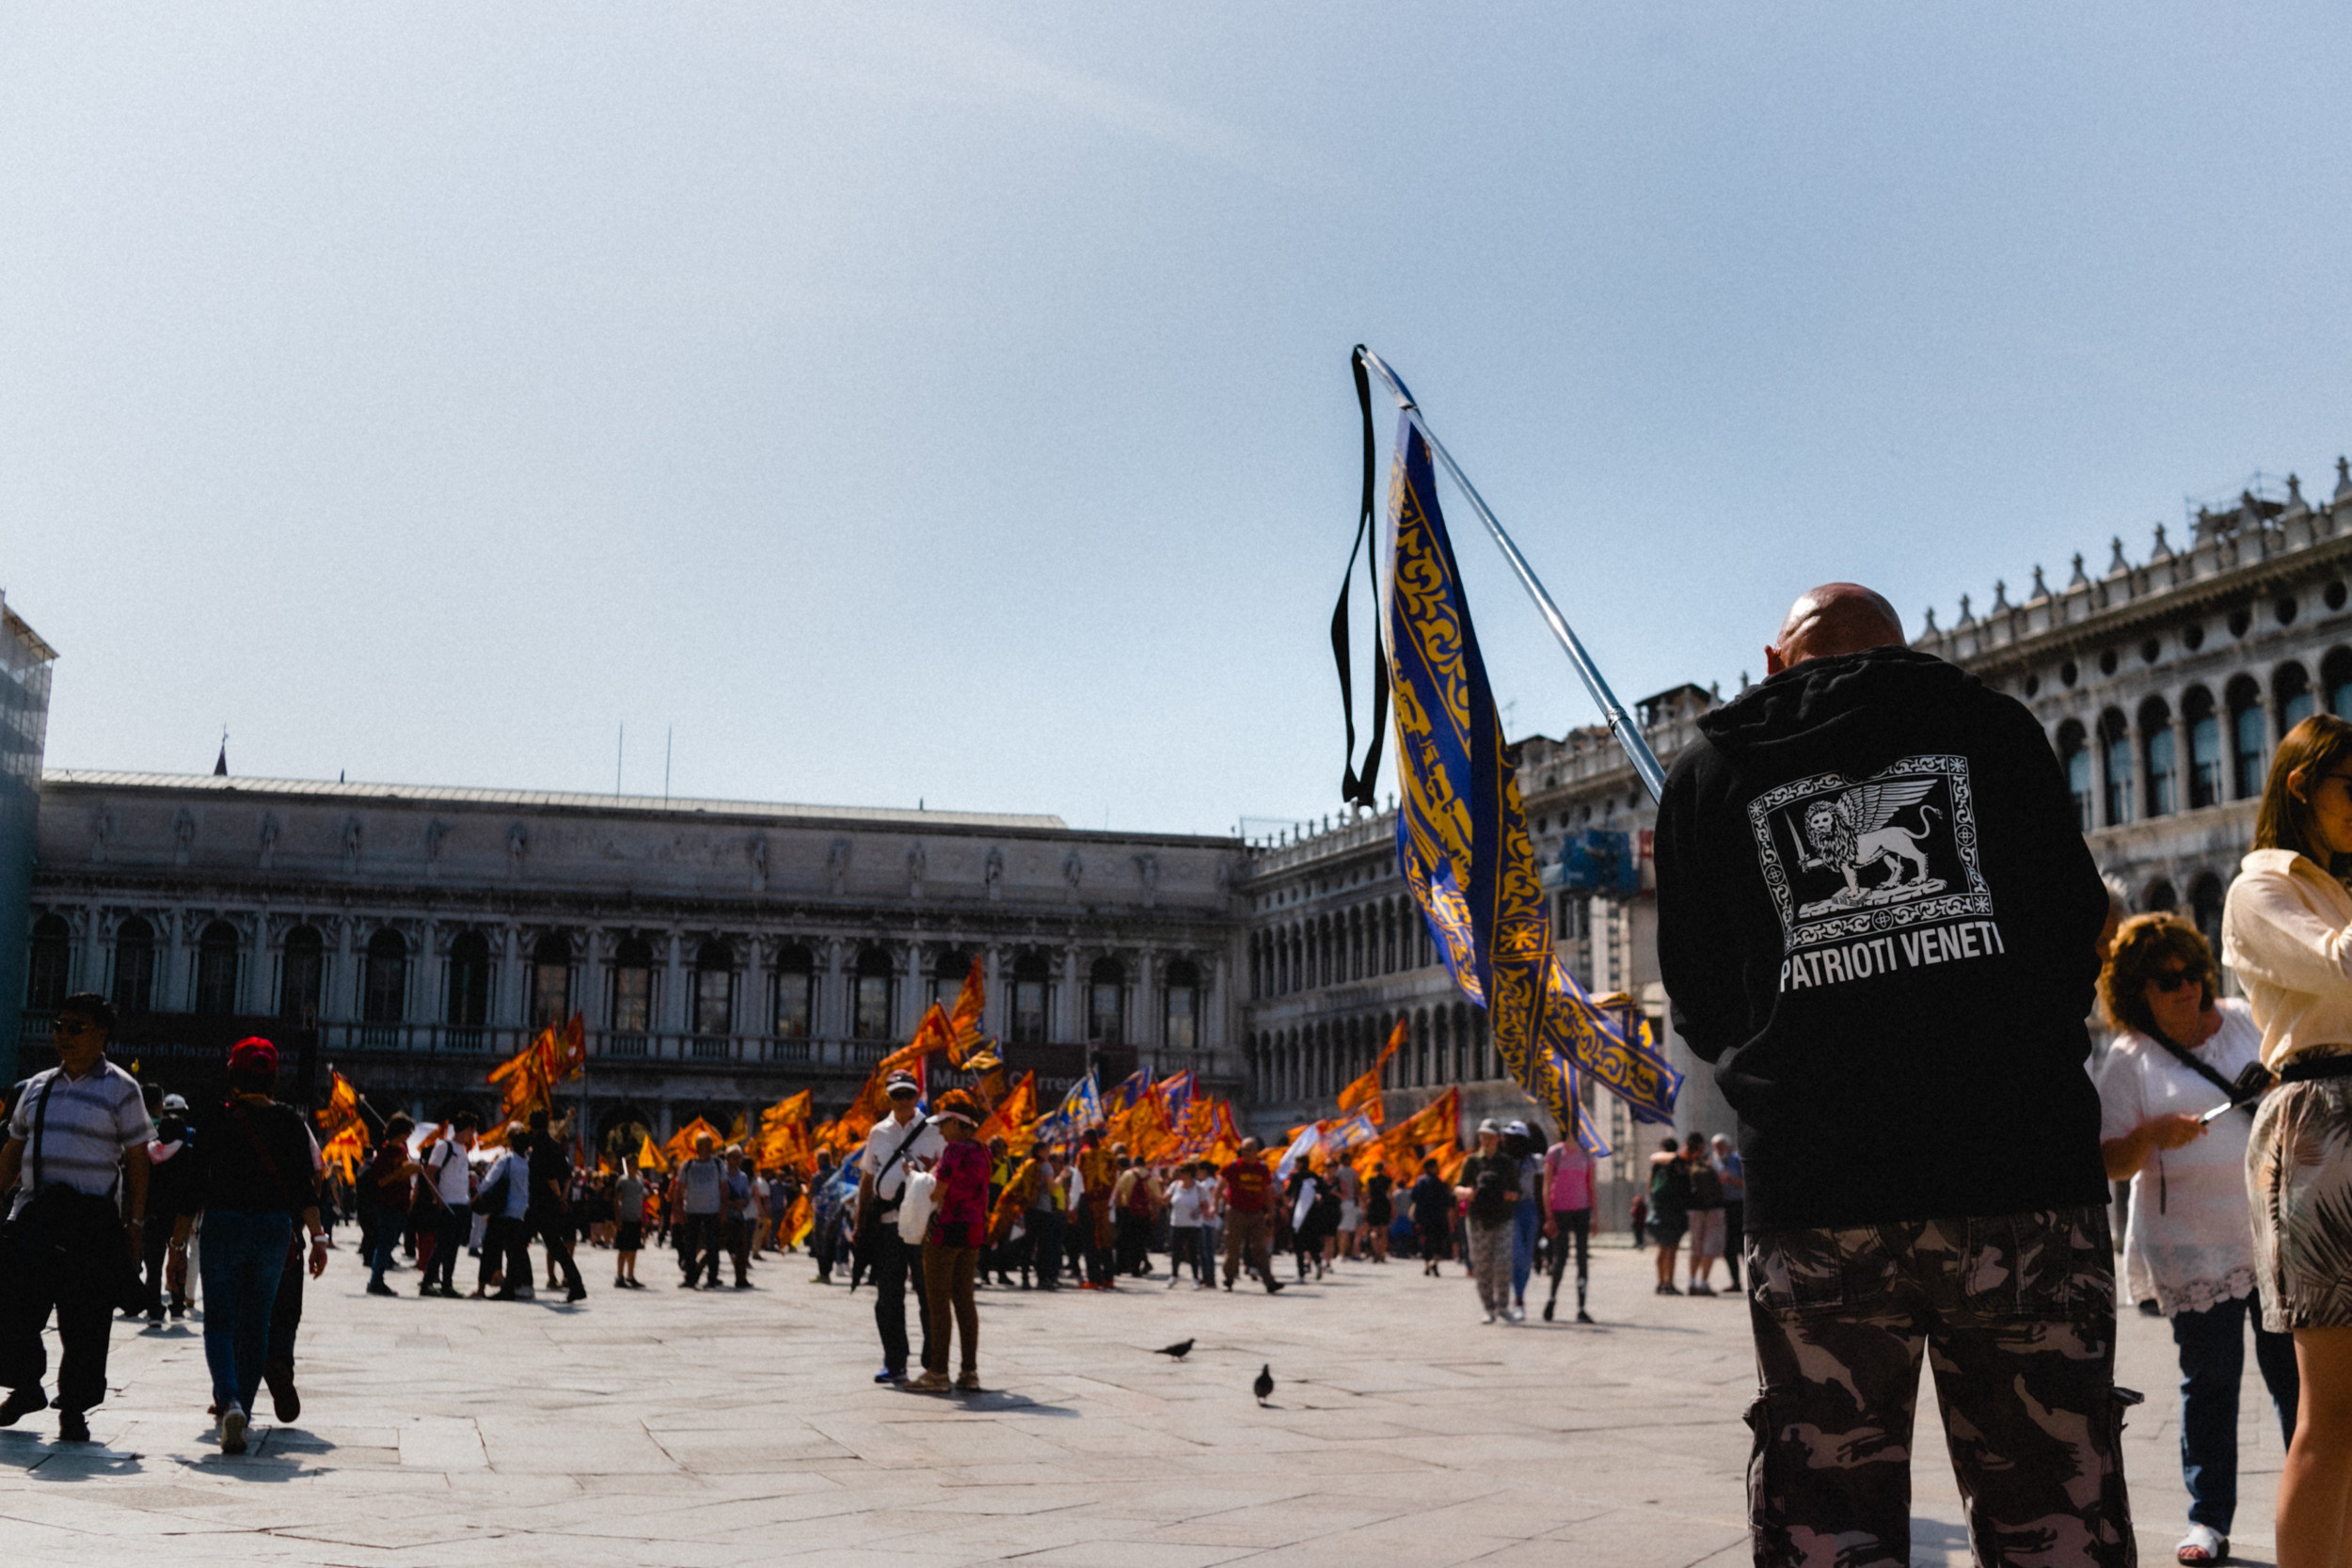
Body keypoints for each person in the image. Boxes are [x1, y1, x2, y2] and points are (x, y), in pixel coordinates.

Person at [1655, 582, 2128, 1565]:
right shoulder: (1992, 727)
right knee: (2055, 1498)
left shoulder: (1708, 773)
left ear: (1774, 659)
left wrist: (1796, 1051)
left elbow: (1698, 1002)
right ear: (1901, 650)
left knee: (1828, 1508)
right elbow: (2074, 924)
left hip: (1820, 1189)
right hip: (2020, 1175)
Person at [2096, 913, 2298, 1564]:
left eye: (2194, 975)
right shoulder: (2130, 1058)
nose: (2187, 989)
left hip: (2275, 1237)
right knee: (2208, 1382)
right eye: (2168, 980)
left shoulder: (2243, 1020)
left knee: (2297, 1381)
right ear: (2137, 991)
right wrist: (2152, 1133)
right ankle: (2207, 1519)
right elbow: (2108, 1161)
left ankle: (2324, 1499)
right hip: (2191, 1247)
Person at [2220, 712, 2352, 1568]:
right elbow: (2343, 967)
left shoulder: (2340, 887)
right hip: (2319, 1119)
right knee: (2332, 1405)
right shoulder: (2261, 885)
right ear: (2302, 784)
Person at [0, 995, 154, 1443]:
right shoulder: (37, 1086)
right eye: (59, 1025)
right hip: (34, 1214)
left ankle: (74, 1408)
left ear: (102, 1034)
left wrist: (136, 1224)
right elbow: (14, 1149)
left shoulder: (122, 1088)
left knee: (85, 1322)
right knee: (13, 1309)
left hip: (90, 1222)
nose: (62, 1035)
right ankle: (27, 1386)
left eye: (75, 1027)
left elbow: (138, 1160)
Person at [171, 1037, 328, 1454]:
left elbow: (193, 1186)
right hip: (274, 1229)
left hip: (224, 1223)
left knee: (220, 1321)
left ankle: (229, 1401)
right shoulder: (292, 1124)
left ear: (232, 1075)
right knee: (257, 1322)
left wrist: (176, 1244)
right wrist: (318, 1238)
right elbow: (304, 1190)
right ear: (274, 1078)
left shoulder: (217, 1120)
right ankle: (245, 1406)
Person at [855, 1069, 941, 1385]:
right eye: (897, 1095)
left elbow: (947, 1174)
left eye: (908, 1094)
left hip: (923, 1224)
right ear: (888, 1097)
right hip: (888, 1225)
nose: (903, 1100)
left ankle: (933, 1363)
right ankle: (894, 1362)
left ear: (917, 1096)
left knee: (928, 1294)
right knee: (888, 1296)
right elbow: (867, 1178)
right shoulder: (878, 1132)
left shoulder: (934, 1130)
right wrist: (859, 1222)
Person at [913, 1089, 989, 1393]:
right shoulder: (984, 1151)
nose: (941, 1131)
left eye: (944, 1124)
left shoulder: (954, 1151)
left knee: (938, 1302)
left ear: (958, 1123)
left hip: (945, 1230)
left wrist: (917, 1177)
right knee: (965, 1300)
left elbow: (937, 1193)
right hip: (972, 1232)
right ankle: (969, 1371)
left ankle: (938, 1372)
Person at [1454, 1119, 1519, 1323]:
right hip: (1478, 1218)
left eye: (1490, 1136)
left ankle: (1503, 1306)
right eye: (1483, 1136)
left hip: (1503, 1217)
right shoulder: (1472, 1161)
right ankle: (1488, 1307)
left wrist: (1506, 1195)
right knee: (1482, 1265)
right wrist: (1468, 1193)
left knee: (1502, 1262)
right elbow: (1457, 1187)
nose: (1486, 1140)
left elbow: (1518, 1192)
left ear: (1498, 1138)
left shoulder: (1507, 1163)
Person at [141, 1093, 199, 1322]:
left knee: (153, 1267)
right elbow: (193, 1187)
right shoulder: (188, 1153)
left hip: (153, 1215)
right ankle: (177, 1305)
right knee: (179, 1258)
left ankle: (154, 1309)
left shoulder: (149, 1153)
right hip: (178, 1218)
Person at [518, 1109, 585, 1304]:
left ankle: (518, 1285)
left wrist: (559, 1197)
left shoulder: (539, 1146)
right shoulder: (555, 1146)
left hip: (540, 1203)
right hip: (549, 1204)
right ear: (546, 1124)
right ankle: (576, 1284)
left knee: (520, 1244)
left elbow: (550, 1178)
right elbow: (566, 1177)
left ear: (532, 1126)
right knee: (556, 1247)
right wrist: (562, 1199)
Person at [361, 1116, 421, 1296]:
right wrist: (400, 1171)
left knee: (391, 1242)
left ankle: (377, 1278)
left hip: (402, 1203)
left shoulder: (403, 1150)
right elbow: (381, 1181)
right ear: (400, 1132)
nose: (410, 1135)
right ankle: (375, 1281)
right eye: (408, 1132)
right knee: (385, 1243)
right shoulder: (384, 1153)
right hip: (388, 1204)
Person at [418, 1113, 476, 1298]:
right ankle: (427, 1283)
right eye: (473, 1130)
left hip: (461, 1203)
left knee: (453, 1247)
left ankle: (447, 1284)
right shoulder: (444, 1146)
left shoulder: (463, 1148)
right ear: (467, 1129)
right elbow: (429, 1173)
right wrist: (439, 1198)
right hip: (448, 1203)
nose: (473, 1134)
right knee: (442, 1245)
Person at [1541, 1128, 1595, 1323]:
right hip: (1560, 1211)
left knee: (1582, 1258)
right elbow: (1546, 1186)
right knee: (1560, 1257)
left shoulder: (1587, 1154)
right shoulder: (1554, 1153)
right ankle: (1552, 1299)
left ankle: (1581, 1307)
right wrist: (1548, 1215)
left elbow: (1591, 1185)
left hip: (1582, 1210)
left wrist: (1595, 1216)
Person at [1218, 1138, 1283, 1293]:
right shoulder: (1233, 1166)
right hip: (1236, 1212)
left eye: (1249, 1150)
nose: (1245, 1153)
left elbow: (1267, 1192)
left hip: (1256, 1214)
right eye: (1243, 1149)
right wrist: (1215, 1205)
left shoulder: (1262, 1168)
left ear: (1256, 1152)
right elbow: (1220, 1186)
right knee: (1233, 1248)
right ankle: (1228, 1279)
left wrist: (1271, 1211)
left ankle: (1269, 1282)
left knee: (1260, 1248)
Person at [472, 1131, 532, 1300]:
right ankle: (510, 1288)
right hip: (519, 1213)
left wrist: (477, 1195)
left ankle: (481, 1288)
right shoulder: (528, 1163)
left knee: (490, 1249)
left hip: (502, 1211)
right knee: (513, 1253)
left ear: (511, 1144)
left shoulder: (506, 1160)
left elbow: (490, 1180)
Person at [675, 1132, 723, 1289]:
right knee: (690, 1246)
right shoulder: (687, 1165)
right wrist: (679, 1210)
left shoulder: (718, 1164)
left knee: (713, 1246)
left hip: (712, 1210)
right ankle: (690, 1278)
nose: (708, 1148)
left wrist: (723, 1209)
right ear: (697, 1147)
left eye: (710, 1145)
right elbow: (680, 1189)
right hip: (692, 1210)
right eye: (705, 1145)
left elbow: (724, 1188)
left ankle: (712, 1278)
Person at [1504, 1121, 1543, 1318]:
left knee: (1527, 1258)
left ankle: (1519, 1298)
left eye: (1513, 1139)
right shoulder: (1503, 1162)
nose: (1509, 1143)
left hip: (1529, 1209)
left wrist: (1545, 1220)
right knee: (1516, 1254)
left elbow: (1540, 1191)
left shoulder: (1535, 1162)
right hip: (1511, 1210)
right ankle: (1517, 1296)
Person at [1644, 1136, 1689, 1295]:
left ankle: (1660, 1282)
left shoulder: (1657, 1165)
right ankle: (1669, 1283)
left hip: (1659, 1211)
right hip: (1675, 1212)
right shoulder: (1679, 1163)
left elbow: (1649, 1188)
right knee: (1672, 1249)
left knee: (1662, 1248)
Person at [1683, 1132, 1725, 1295]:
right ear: (1702, 1144)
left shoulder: (1683, 1161)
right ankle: (1704, 1283)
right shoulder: (1710, 1160)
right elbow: (1722, 1177)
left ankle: (1692, 1282)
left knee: (1696, 1246)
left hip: (1694, 1209)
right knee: (1710, 1246)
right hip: (1714, 1208)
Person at [1165, 1164, 1212, 1289]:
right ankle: (1174, 1275)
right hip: (1177, 1223)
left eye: (1182, 1171)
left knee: (1192, 1252)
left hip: (1193, 1225)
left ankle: (1195, 1277)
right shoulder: (1174, 1185)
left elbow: (1205, 1205)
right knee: (1176, 1251)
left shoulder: (1199, 1188)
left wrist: (1198, 1212)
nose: (1179, 1173)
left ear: (1189, 1173)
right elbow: (1165, 1200)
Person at [1710, 1134, 1746, 1291]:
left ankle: (1754, 1282)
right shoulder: (1712, 1162)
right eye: (1715, 1146)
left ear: (1728, 1146)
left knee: (1744, 1246)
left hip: (1740, 1205)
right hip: (1722, 1207)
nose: (1718, 1149)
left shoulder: (1737, 1160)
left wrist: (1730, 1179)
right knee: (1728, 1248)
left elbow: (1747, 1183)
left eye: (1721, 1146)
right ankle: (1735, 1282)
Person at [1408, 1156, 1453, 1275]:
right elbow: (1447, 1202)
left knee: (1425, 1240)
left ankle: (1427, 1265)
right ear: (1430, 1168)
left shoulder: (1419, 1182)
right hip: (1439, 1217)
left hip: (1424, 1217)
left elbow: (1413, 1198)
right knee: (1438, 1241)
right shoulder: (1440, 1183)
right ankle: (1435, 1263)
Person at [719, 1146, 755, 1289]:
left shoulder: (743, 1176)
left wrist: (742, 1203)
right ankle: (696, 1273)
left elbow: (747, 1196)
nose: (738, 1160)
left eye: (740, 1157)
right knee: (714, 1248)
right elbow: (719, 1195)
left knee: (742, 1250)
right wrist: (731, 1203)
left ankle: (741, 1279)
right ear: (727, 1159)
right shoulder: (721, 1175)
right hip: (724, 1216)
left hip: (739, 1217)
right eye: (735, 1157)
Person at [612, 1165, 645, 1288]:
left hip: (635, 1219)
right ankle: (619, 1276)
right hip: (625, 1218)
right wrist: (618, 1218)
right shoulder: (623, 1181)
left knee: (633, 1249)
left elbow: (640, 1199)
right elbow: (616, 1199)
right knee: (623, 1249)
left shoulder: (639, 1180)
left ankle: (630, 1275)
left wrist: (642, 1216)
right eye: (632, 1163)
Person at [1363, 1162, 1393, 1263]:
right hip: (1384, 1206)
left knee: (1374, 1231)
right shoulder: (1388, 1180)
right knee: (1384, 1232)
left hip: (1374, 1206)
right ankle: (1382, 1254)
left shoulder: (1370, 1180)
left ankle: (1376, 1252)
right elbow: (1390, 1195)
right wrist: (1393, 1208)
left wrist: (1366, 1207)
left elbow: (1367, 1195)